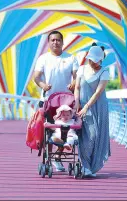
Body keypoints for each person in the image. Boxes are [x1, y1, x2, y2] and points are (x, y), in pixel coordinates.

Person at [33, 30, 79, 171]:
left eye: (58, 40)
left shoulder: (71, 58)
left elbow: (77, 77)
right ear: (49, 42)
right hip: (48, 101)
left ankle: (57, 158)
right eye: (52, 40)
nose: (55, 42)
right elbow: (37, 77)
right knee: (50, 130)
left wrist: (73, 84)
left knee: (66, 130)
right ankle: (50, 157)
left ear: (62, 42)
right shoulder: (43, 58)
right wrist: (43, 86)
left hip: (66, 102)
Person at [74, 45, 111, 178]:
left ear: (101, 60)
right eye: (90, 59)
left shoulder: (104, 72)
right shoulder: (82, 69)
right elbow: (77, 87)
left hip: (98, 107)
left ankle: (90, 166)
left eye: (95, 60)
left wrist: (86, 107)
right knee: (87, 135)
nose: (92, 62)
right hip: (82, 105)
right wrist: (77, 102)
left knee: (95, 136)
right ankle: (85, 166)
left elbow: (98, 93)